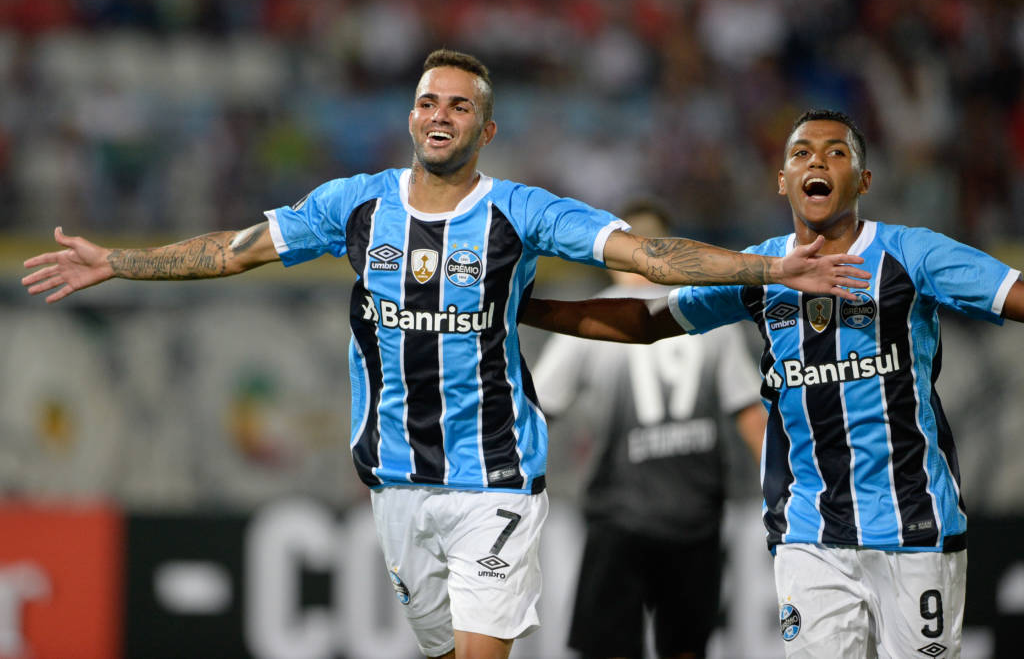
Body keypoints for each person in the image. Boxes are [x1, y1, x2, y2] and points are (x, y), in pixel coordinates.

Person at [20, 49, 870, 659]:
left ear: (487, 127)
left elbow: (647, 257)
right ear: (411, 115)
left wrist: (768, 268)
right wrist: (118, 259)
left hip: (493, 480)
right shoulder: (353, 206)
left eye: (460, 106)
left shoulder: (521, 212)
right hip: (395, 482)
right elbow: (234, 250)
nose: (440, 115)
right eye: (430, 101)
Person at [521, 109, 1024, 658]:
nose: (817, 161)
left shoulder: (911, 254)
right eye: (801, 152)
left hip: (915, 523)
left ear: (864, 180)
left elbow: (1013, 294)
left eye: (837, 152)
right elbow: (646, 322)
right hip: (808, 532)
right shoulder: (760, 269)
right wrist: (521, 307)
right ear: (782, 180)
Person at [531, 199, 767, 659]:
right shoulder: (708, 317)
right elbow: (750, 415)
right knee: (686, 648)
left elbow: (538, 409)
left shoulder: (591, 319)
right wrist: (785, 488)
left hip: (618, 514)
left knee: (610, 647)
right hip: (695, 515)